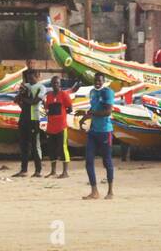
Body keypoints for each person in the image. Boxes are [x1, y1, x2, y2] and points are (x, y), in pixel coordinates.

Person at [79, 71, 116, 200]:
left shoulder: (107, 92)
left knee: (107, 161)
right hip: (93, 131)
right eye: (95, 81)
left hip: (105, 131)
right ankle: (94, 191)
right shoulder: (92, 92)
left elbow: (107, 112)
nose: (97, 83)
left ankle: (110, 191)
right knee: (89, 161)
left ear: (104, 81)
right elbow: (92, 110)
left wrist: (92, 113)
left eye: (100, 80)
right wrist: (83, 118)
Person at [13, 68, 45, 177]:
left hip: (34, 118)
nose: (30, 80)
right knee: (23, 145)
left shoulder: (41, 88)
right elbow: (16, 100)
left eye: (32, 77)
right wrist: (20, 96)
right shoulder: (25, 86)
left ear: (37, 76)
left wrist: (22, 97)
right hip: (24, 117)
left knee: (35, 145)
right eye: (29, 78)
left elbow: (34, 102)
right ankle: (24, 170)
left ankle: (38, 171)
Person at [42, 75, 73, 179]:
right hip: (51, 127)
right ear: (51, 84)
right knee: (51, 149)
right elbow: (47, 109)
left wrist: (62, 114)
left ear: (60, 84)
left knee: (63, 148)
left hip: (61, 126)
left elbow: (70, 107)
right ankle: (53, 171)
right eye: (54, 83)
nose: (55, 85)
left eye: (57, 83)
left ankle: (65, 172)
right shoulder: (49, 95)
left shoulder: (64, 94)